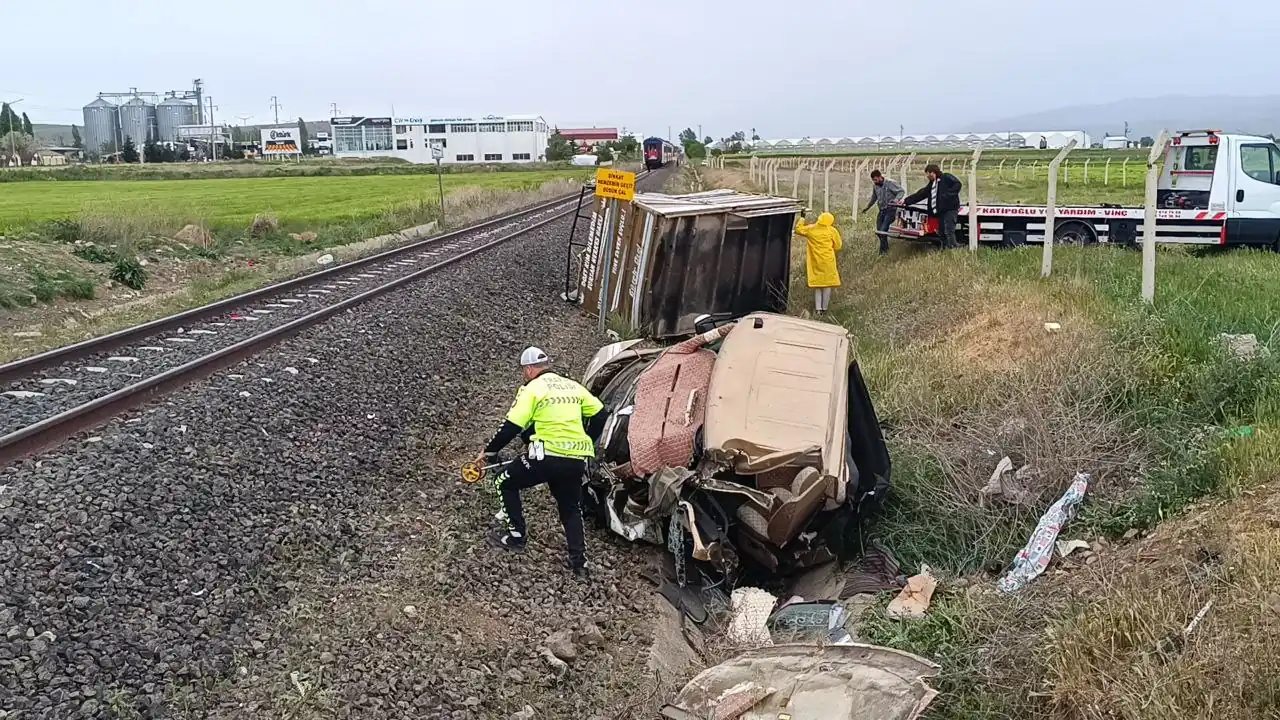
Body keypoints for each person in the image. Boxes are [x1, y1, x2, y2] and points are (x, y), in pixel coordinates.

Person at [478, 346, 604, 580]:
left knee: (505, 481)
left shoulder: (532, 388)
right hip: (576, 459)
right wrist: (588, 438)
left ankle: (516, 537)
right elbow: (600, 414)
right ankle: (579, 564)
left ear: (528, 370)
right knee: (570, 508)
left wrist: (489, 451)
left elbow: (512, 426)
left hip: (545, 457)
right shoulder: (573, 386)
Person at [902, 163, 963, 249]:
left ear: (933, 172)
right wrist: (906, 201)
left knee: (949, 230)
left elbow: (958, 184)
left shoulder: (946, 177)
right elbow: (922, 194)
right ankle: (945, 248)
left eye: (927, 173)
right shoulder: (932, 184)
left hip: (950, 209)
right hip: (940, 211)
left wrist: (947, 195)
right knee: (941, 231)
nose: (927, 176)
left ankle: (953, 247)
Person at [794, 212, 842, 315]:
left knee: (818, 286)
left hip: (816, 261)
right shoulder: (832, 231)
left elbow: (798, 230)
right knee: (827, 285)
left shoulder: (811, 229)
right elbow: (838, 246)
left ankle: (818, 309)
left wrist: (802, 218)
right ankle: (825, 309)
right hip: (828, 261)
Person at [863, 170, 905, 255]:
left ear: (880, 177)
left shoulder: (890, 183)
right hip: (881, 210)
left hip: (891, 210)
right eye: (873, 180)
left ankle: (883, 252)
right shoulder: (875, 186)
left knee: (883, 230)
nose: (874, 182)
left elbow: (901, 191)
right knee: (879, 231)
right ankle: (885, 247)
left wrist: (896, 200)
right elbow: (874, 198)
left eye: (875, 179)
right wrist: (867, 207)